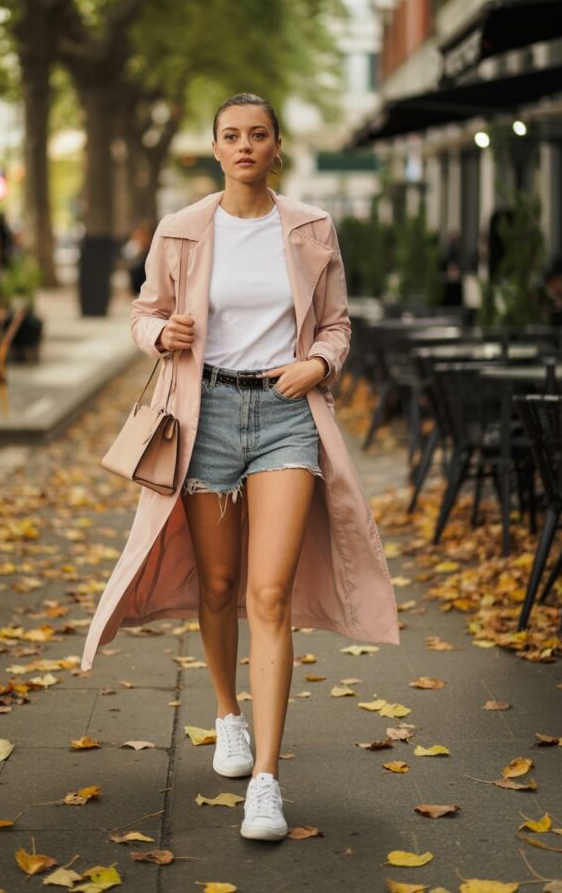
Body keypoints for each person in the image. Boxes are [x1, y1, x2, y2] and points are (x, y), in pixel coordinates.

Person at [81, 93, 399, 843]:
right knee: (219, 585)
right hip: (207, 417)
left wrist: (318, 361)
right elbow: (141, 312)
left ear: (277, 146)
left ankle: (267, 782)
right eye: (232, 135)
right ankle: (228, 716)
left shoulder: (312, 228)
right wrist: (162, 332)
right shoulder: (182, 229)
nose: (246, 145)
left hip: (287, 416)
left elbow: (338, 322)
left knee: (269, 593)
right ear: (216, 149)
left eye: (258, 134)